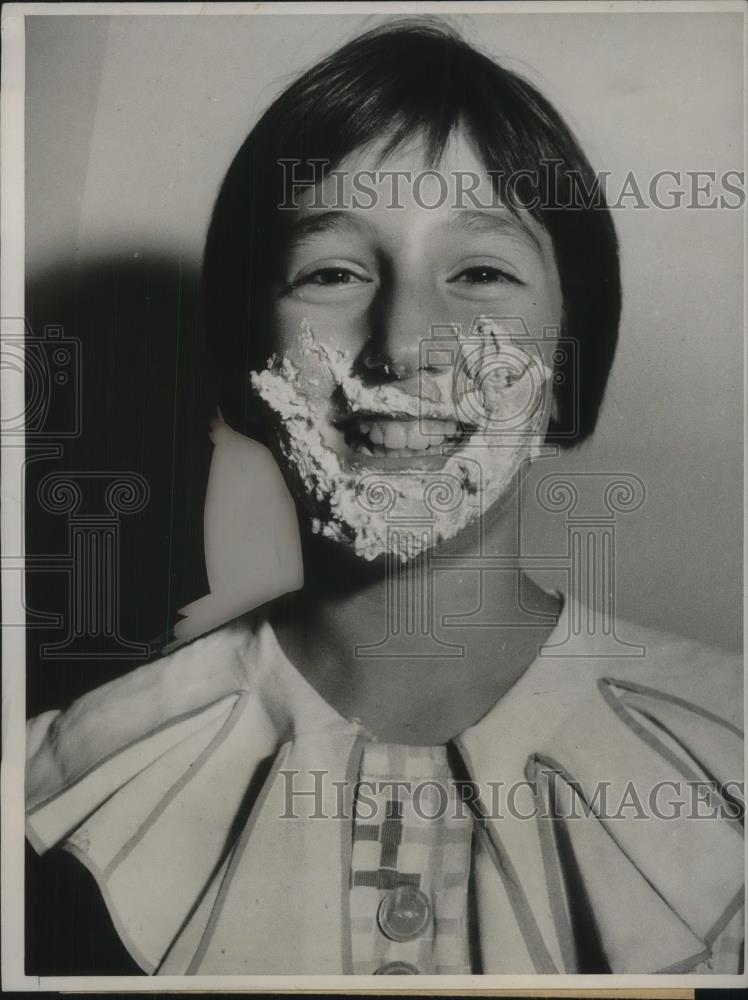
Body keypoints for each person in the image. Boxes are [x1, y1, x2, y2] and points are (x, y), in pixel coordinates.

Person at [25, 20, 743, 977]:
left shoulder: (726, 758)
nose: (404, 340)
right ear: (247, 365)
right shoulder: (55, 791)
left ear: (567, 368)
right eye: (332, 273)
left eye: (480, 272)